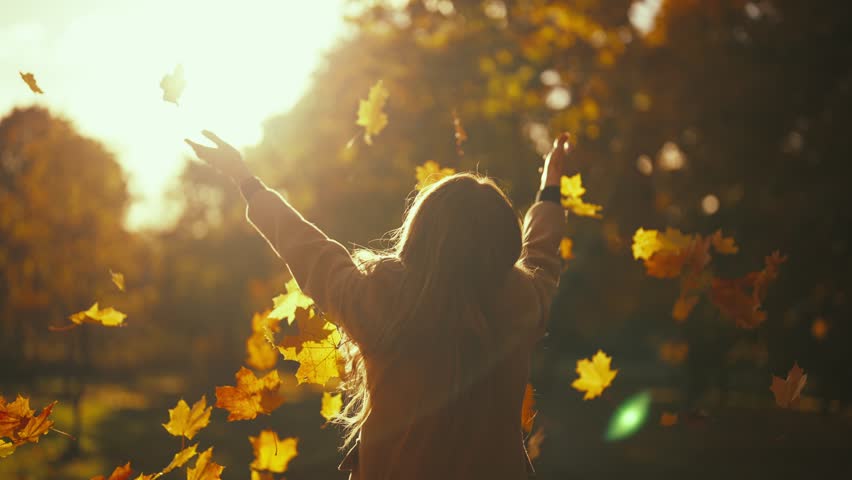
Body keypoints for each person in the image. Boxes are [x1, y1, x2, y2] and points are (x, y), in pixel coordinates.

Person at [185, 130, 571, 480]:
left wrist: (246, 180)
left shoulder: (382, 302)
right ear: (504, 239)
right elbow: (542, 250)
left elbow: (306, 249)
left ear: (419, 231)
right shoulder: (522, 303)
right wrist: (549, 188)